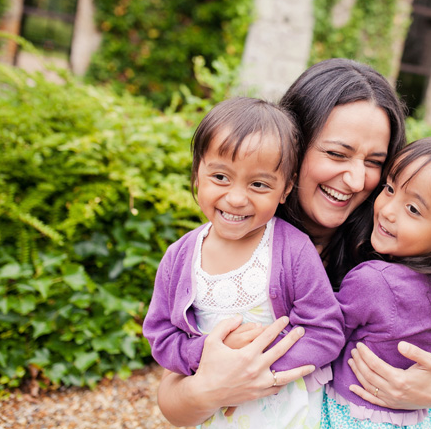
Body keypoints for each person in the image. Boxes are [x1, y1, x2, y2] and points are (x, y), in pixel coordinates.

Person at [156, 59, 431, 427]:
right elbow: (172, 398)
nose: (356, 180)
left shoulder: (391, 245)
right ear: (290, 150)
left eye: (374, 162)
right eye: (337, 154)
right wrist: (213, 388)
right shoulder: (239, 243)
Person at [143, 96, 345, 427]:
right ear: (197, 173)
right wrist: (209, 354)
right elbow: (161, 334)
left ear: (285, 189)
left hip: (287, 415)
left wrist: (258, 363)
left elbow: (326, 330)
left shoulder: (292, 249)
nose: (236, 198)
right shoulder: (180, 257)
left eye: (259, 184)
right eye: (220, 177)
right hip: (218, 416)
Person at [322, 136, 431, 428]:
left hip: (357, 417)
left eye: (413, 210)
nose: (387, 210)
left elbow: (323, 335)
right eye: (390, 189)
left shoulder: (374, 281)